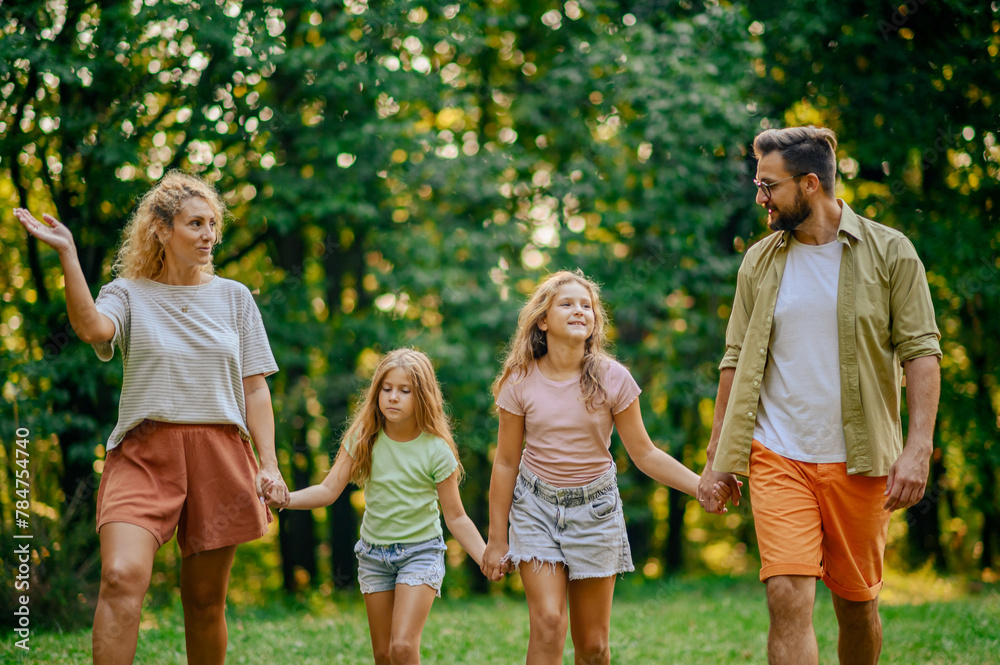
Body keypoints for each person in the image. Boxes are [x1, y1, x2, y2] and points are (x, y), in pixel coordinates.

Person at [15, 171, 290, 665]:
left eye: (212, 224)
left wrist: (268, 464)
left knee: (204, 602)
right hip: (144, 454)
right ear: (162, 230)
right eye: (195, 224)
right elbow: (91, 327)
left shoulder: (235, 297)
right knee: (120, 576)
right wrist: (69, 255)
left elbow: (255, 388)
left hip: (220, 453)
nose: (209, 235)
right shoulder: (127, 293)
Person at [698, 125, 941, 665]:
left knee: (856, 606)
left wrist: (918, 446)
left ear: (809, 184)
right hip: (778, 454)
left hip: (860, 459)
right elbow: (734, 359)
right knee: (786, 596)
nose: (760, 198)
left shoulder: (891, 252)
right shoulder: (759, 261)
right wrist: (717, 456)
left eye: (769, 186)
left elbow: (922, 351)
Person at [480, 269, 731, 665]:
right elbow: (507, 461)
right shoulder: (520, 379)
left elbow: (645, 454)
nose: (579, 310)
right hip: (535, 509)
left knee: (594, 648)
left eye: (587, 305)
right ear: (542, 321)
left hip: (595, 511)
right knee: (548, 623)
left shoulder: (612, 378)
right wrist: (497, 539)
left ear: (595, 321)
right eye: (566, 304)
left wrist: (700, 485)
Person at [263, 348, 491, 665]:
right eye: (387, 389)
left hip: (421, 553)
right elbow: (328, 490)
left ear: (422, 396)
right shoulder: (364, 437)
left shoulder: (436, 450)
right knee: (383, 655)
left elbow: (456, 517)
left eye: (404, 390)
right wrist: (286, 499)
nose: (393, 397)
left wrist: (485, 556)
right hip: (374, 555)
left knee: (402, 648)